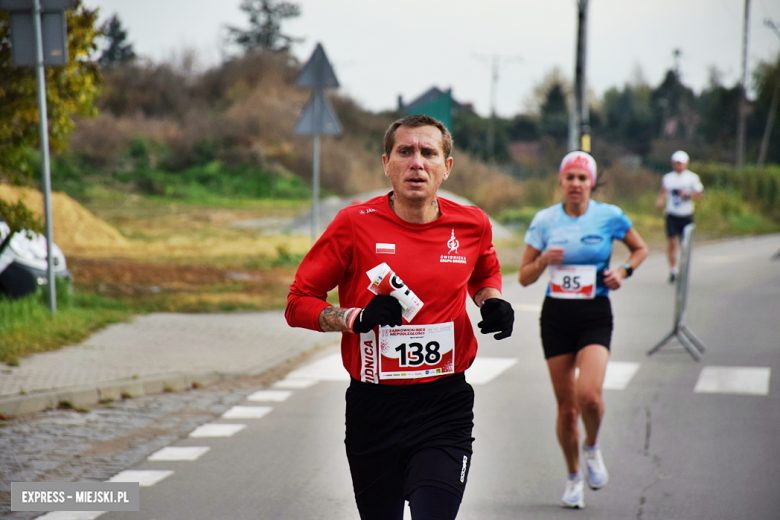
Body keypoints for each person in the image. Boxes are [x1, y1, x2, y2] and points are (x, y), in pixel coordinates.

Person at [285, 114, 515, 520]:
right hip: (374, 409)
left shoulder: (472, 225)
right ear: (386, 164)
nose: (417, 163)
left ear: (447, 167)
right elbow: (298, 301)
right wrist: (355, 318)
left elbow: (482, 272)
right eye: (405, 151)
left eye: (429, 152)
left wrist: (491, 300)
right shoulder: (353, 225)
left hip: (444, 405)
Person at [518, 151, 648, 509]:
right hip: (556, 317)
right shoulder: (544, 221)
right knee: (566, 409)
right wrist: (543, 260)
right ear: (561, 182)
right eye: (570, 177)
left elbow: (640, 249)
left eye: (582, 178)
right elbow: (524, 276)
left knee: (588, 396)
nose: (576, 184)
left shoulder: (610, 216)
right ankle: (574, 476)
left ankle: (591, 447)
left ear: (591, 183)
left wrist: (623, 272)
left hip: (594, 314)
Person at [656, 150, 704, 283]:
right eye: (676, 164)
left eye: (681, 164)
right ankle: (673, 270)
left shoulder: (692, 178)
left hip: (686, 215)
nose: (679, 166)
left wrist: (688, 195)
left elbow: (700, 195)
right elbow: (664, 192)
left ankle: (684, 268)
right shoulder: (668, 178)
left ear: (686, 164)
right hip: (672, 214)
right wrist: (660, 200)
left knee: (685, 245)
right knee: (671, 242)